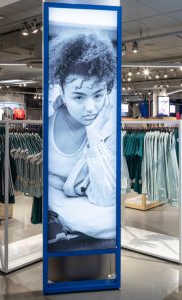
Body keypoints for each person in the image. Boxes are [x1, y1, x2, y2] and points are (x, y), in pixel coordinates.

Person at [47, 31, 117, 247]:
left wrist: (94, 135)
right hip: (60, 204)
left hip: (91, 207)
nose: (90, 108)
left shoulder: (108, 129)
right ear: (62, 90)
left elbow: (105, 197)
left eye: (98, 95)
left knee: (109, 220)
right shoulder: (48, 125)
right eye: (78, 96)